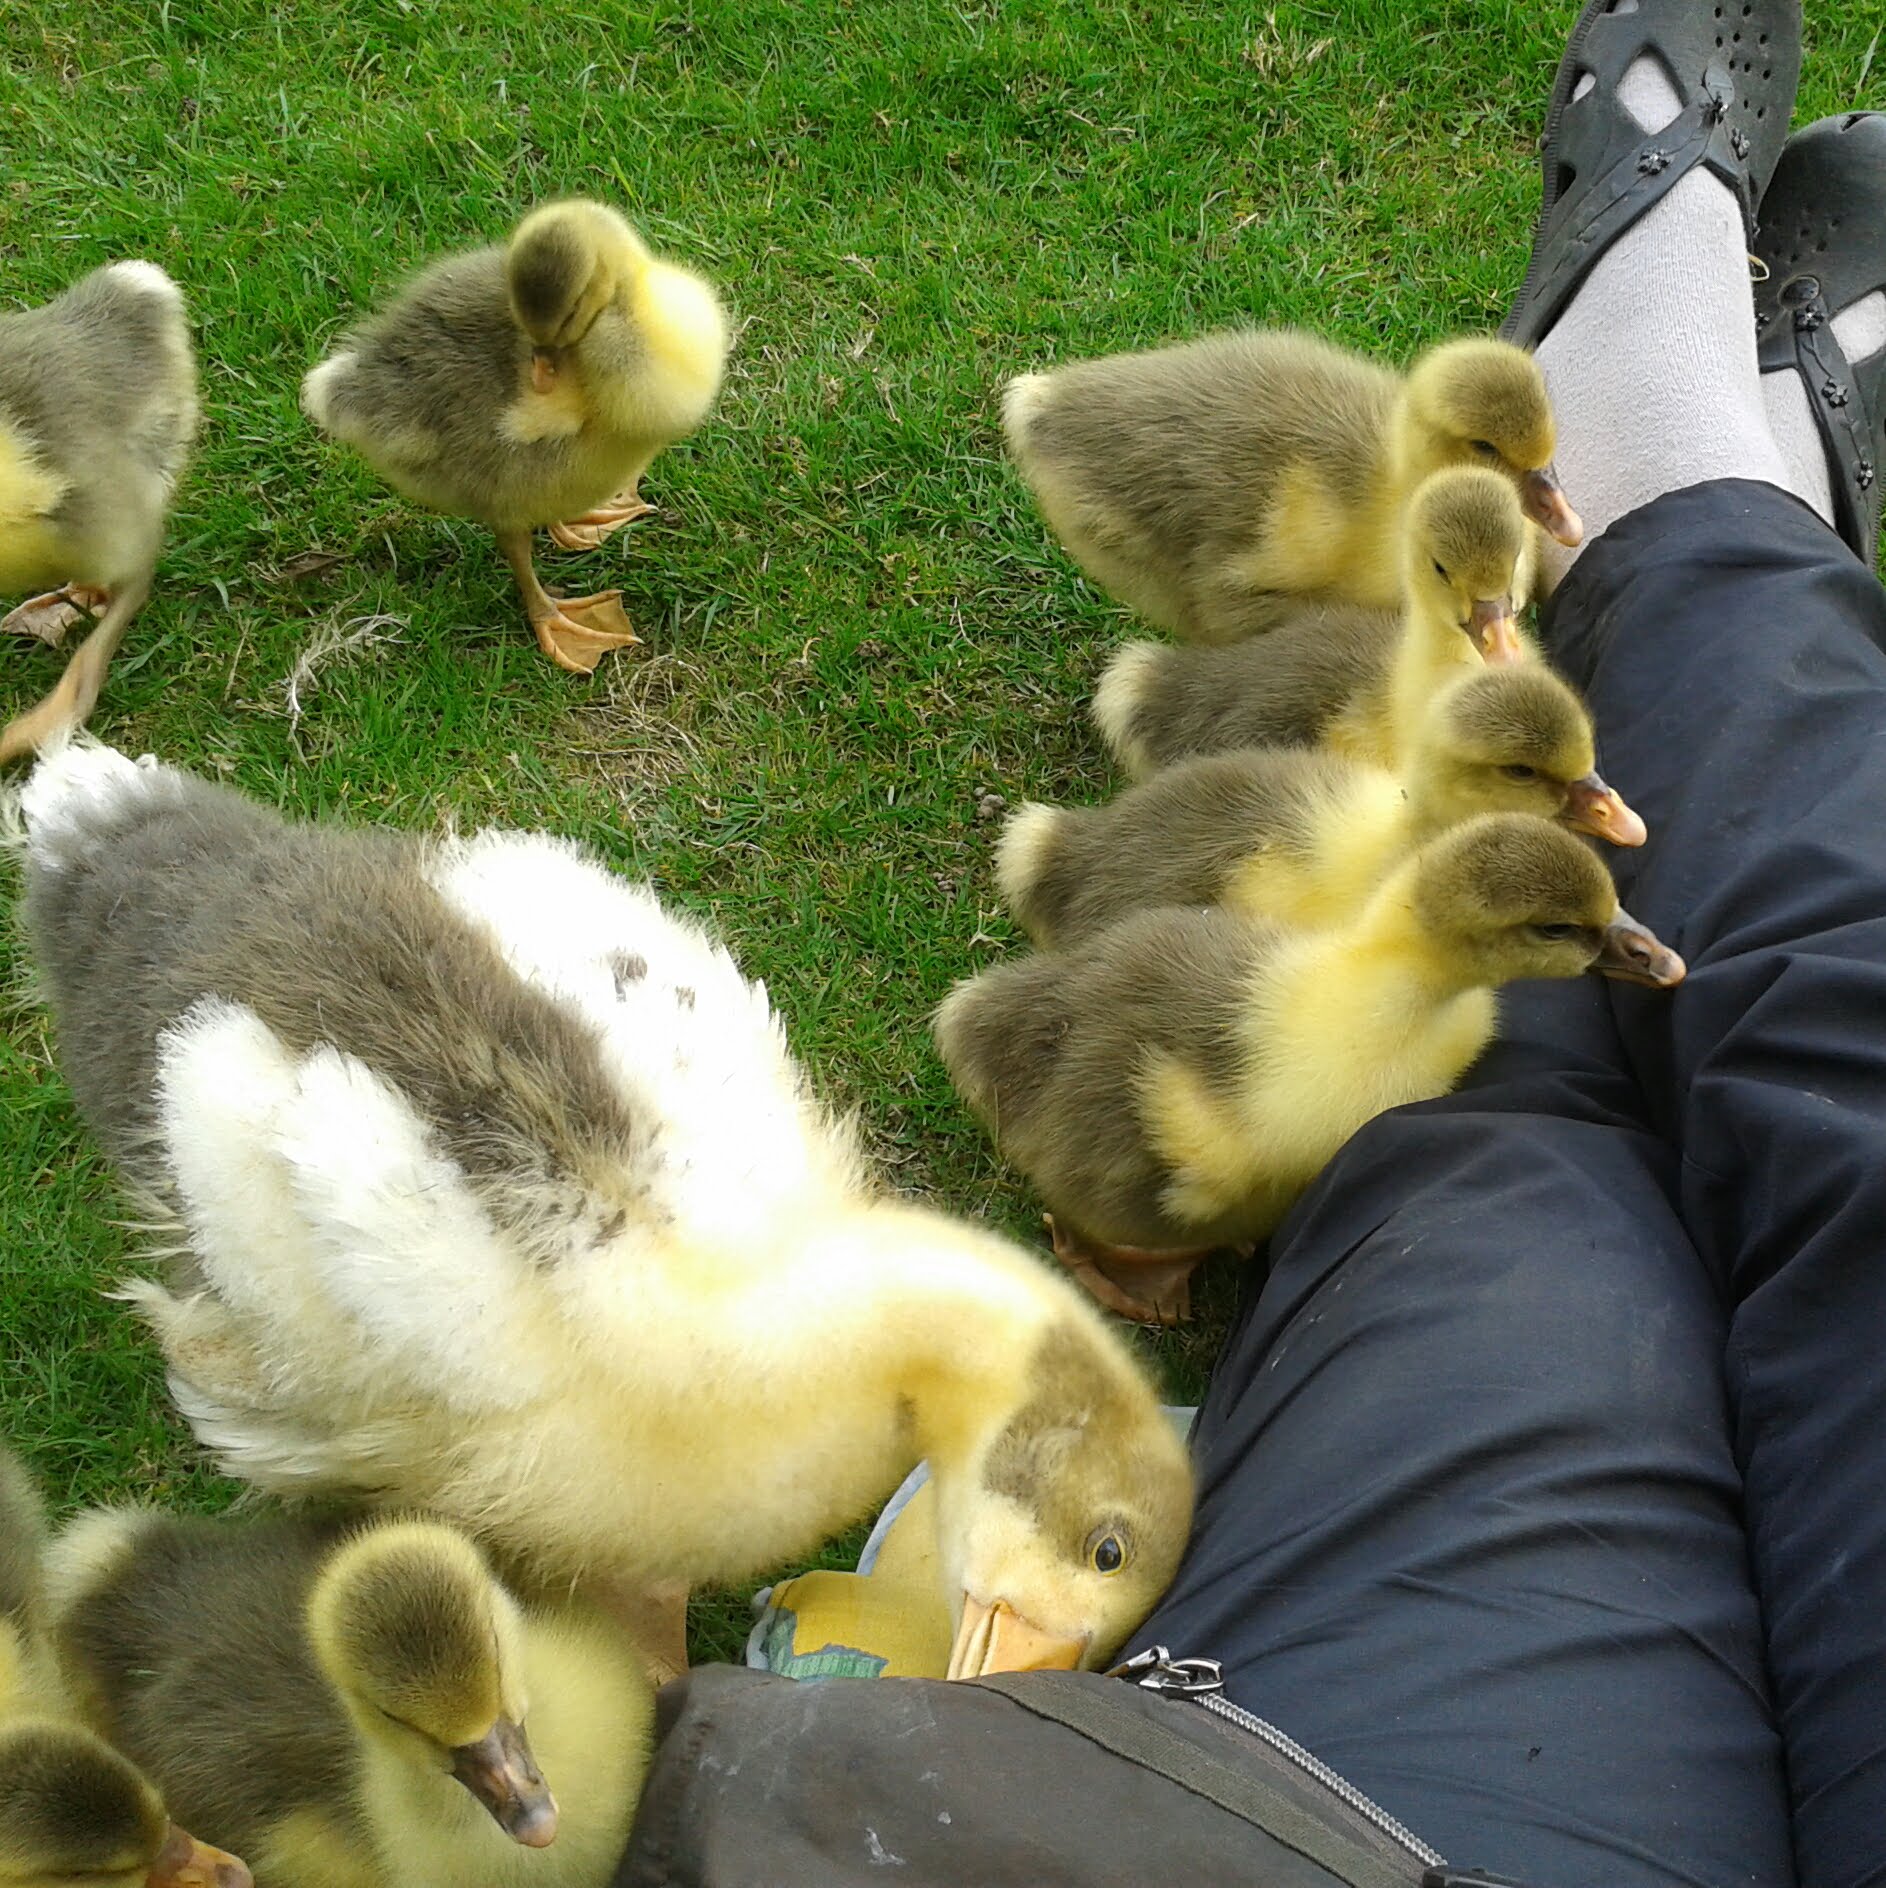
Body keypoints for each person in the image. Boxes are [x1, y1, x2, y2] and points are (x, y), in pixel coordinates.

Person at [620, 5, 1886, 1883]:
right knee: (1806, 1060)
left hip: (1366, 1803)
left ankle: (1688, 494)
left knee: (1549, 1127)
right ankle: (1684, 479)